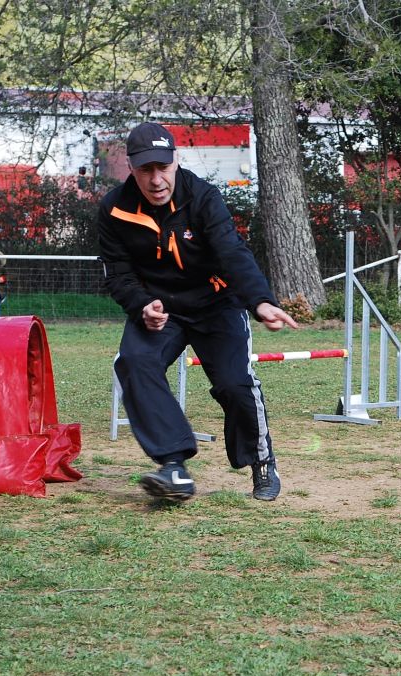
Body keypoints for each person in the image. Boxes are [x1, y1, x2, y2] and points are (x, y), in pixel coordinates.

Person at [97, 122, 298, 503]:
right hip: (159, 309)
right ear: (132, 169)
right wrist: (143, 305)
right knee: (134, 362)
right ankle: (174, 465)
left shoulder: (203, 198)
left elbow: (232, 253)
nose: (156, 180)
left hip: (215, 304)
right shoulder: (113, 209)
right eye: (146, 170)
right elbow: (118, 272)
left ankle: (261, 462)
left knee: (235, 384)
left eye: (163, 168)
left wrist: (261, 301)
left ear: (176, 162)